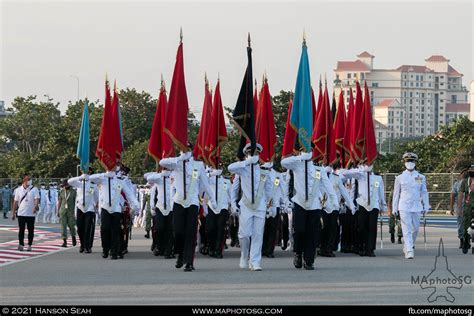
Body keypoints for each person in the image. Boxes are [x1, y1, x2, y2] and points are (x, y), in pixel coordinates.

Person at [160, 146, 217, 272]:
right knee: (178, 231)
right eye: (182, 149)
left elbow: (205, 184)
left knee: (191, 233)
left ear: (191, 150)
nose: (185, 151)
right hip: (178, 202)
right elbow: (162, 162)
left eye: (187, 149)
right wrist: (180, 158)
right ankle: (180, 254)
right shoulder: (176, 163)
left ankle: (189, 262)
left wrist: (212, 200)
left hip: (192, 202)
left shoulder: (198, 165)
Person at [281, 150, 338, 270]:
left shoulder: (319, 169)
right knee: (300, 230)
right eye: (304, 150)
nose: (307, 153)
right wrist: (299, 158)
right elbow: (283, 162)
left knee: (312, 233)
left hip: (314, 205)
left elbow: (327, 185)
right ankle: (298, 253)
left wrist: (334, 201)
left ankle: (309, 260)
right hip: (300, 203)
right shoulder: (296, 165)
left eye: (309, 151)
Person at [228, 143, 272, 271]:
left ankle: (255, 262)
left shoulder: (264, 170)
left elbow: (268, 189)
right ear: (246, 155)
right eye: (251, 154)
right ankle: (244, 254)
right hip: (246, 206)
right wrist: (233, 203)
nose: (254, 156)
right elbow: (231, 174)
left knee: (258, 234)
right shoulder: (241, 169)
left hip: (260, 205)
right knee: (244, 234)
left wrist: (271, 205)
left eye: (256, 154)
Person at [90, 170, 140, 260]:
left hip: (117, 208)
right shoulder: (103, 179)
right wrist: (105, 174)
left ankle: (114, 252)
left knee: (115, 231)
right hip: (105, 208)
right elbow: (91, 178)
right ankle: (105, 249)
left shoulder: (120, 181)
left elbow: (129, 194)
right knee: (105, 229)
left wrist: (136, 206)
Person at [341, 165, 387, 257]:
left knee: (372, 227)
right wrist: (360, 169)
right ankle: (362, 247)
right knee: (361, 226)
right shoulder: (361, 175)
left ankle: (370, 249)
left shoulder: (378, 178)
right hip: (362, 204)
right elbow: (344, 173)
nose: (368, 166)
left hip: (374, 204)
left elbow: (381, 192)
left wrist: (383, 205)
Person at [392, 152, 430, 259]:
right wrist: (394, 208)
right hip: (404, 206)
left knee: (416, 229)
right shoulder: (399, 177)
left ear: (415, 162)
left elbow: (424, 192)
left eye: (411, 161)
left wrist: (426, 205)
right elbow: (396, 194)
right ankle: (409, 250)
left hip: (417, 206)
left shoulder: (421, 177)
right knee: (406, 228)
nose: (409, 163)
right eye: (407, 161)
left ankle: (409, 244)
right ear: (404, 162)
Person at [320, 165, 355, 257]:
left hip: (334, 206)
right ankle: (322, 247)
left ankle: (329, 248)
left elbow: (344, 192)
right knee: (323, 228)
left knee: (333, 228)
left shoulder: (336, 178)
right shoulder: (319, 175)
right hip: (322, 206)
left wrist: (351, 205)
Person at [145, 168, 174, 258]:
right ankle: (159, 246)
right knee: (159, 228)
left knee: (170, 230)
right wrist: (161, 174)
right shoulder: (158, 178)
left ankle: (168, 251)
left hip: (171, 207)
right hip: (160, 207)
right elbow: (147, 177)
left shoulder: (174, 177)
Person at [68, 168, 98, 253]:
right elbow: (69, 181)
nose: (86, 174)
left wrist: (94, 205)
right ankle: (82, 244)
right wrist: (80, 177)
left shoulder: (93, 185)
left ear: (90, 173)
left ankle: (88, 246)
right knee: (79, 228)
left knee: (88, 228)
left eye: (87, 172)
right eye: (84, 172)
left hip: (89, 208)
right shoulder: (79, 183)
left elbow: (96, 197)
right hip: (80, 207)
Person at [261, 162, 288, 258]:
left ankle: (269, 250)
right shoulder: (260, 172)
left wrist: (285, 202)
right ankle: (261, 249)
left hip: (274, 205)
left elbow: (283, 189)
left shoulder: (277, 175)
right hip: (262, 205)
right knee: (262, 228)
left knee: (273, 228)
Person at [206, 166, 231, 258]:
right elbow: (201, 179)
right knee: (210, 229)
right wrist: (211, 173)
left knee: (221, 229)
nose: (219, 169)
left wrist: (232, 206)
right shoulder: (209, 179)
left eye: (220, 167)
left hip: (223, 207)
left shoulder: (227, 182)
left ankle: (218, 250)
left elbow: (231, 195)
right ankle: (211, 247)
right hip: (211, 207)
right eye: (217, 167)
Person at [12, 174, 39, 251]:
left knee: (31, 230)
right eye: (28, 179)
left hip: (31, 213)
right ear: (24, 180)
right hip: (21, 213)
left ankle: (29, 245)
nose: (30, 180)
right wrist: (13, 212)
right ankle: (21, 244)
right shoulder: (18, 190)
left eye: (30, 179)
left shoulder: (34, 189)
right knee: (21, 229)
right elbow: (15, 202)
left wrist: (36, 206)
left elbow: (36, 199)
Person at [458, 164, 474, 254]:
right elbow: (460, 194)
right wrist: (459, 207)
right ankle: (466, 241)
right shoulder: (465, 181)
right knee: (465, 225)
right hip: (468, 206)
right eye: (471, 169)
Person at [57, 179, 77, 247]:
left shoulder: (74, 192)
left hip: (70, 211)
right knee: (63, 226)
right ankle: (64, 241)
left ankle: (73, 237)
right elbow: (60, 201)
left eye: (66, 185)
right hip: (63, 211)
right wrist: (58, 210)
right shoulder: (62, 191)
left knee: (71, 225)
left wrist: (75, 212)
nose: (65, 186)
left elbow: (75, 202)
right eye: (64, 185)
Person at [450, 170, 466, 249]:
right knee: (461, 223)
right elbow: (453, 195)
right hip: (461, 207)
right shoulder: (457, 184)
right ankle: (462, 239)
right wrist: (451, 207)